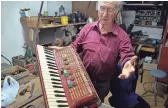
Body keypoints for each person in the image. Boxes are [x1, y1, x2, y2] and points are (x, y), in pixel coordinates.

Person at [49, 1, 142, 108]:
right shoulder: (88, 28)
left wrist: (128, 64)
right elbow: (74, 46)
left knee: (95, 105)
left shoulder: (122, 36)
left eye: (110, 9)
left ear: (116, 12)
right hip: (81, 77)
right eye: (102, 8)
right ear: (98, 9)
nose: (105, 14)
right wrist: (62, 50)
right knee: (76, 103)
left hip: (101, 84)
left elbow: (127, 55)